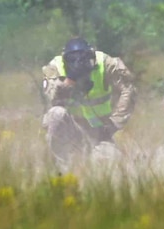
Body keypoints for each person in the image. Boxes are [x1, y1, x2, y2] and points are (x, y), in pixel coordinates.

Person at [39, 36, 136, 167]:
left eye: (85, 58)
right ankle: (62, 166)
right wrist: (71, 79)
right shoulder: (55, 67)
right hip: (71, 129)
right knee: (56, 114)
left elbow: (128, 89)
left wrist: (115, 122)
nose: (80, 63)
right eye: (72, 59)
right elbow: (53, 97)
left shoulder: (105, 63)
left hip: (101, 133)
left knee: (110, 162)